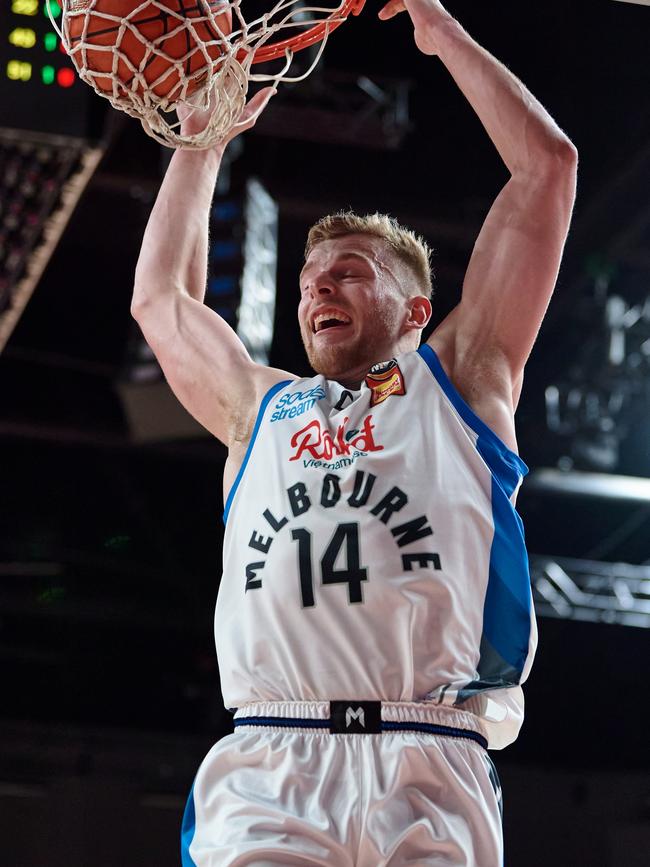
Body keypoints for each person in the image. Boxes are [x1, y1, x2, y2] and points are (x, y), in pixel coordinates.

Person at [132, 0, 577, 863]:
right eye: (307, 278)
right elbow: (163, 301)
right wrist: (203, 139)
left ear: (416, 308)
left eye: (348, 272)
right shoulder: (257, 409)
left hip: (429, 756)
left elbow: (548, 169)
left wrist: (441, 33)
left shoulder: (461, 378)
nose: (317, 289)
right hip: (270, 758)